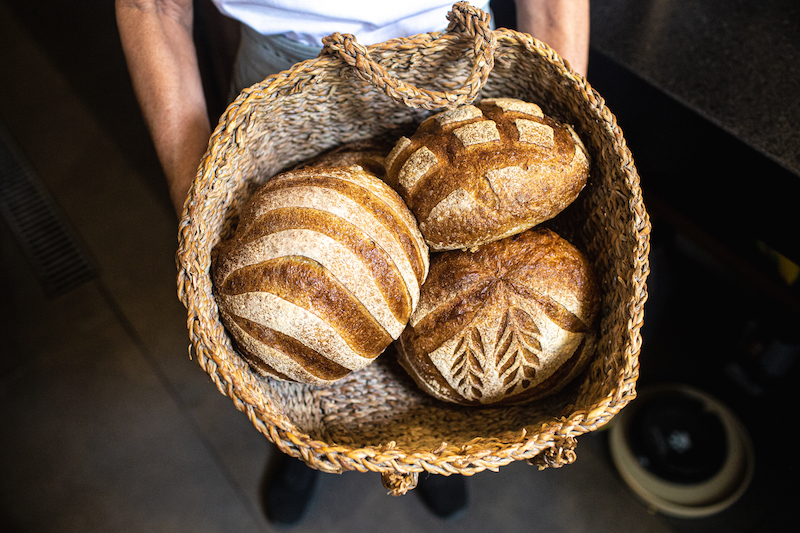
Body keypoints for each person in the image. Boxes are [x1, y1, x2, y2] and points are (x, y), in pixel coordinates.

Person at [115, 0, 590, 525]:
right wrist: (197, 203)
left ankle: (434, 457)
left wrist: (553, 123)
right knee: (297, 358)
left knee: (440, 370)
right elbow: (153, 6)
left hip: (464, 64)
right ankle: (309, 448)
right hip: (283, 77)